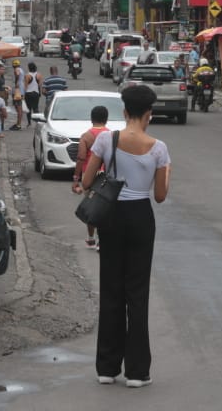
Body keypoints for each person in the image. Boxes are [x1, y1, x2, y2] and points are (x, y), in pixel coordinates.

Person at [82, 85, 170, 388]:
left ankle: (107, 368)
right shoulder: (159, 148)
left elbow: (86, 180)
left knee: (111, 288)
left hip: (112, 217)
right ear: (149, 114)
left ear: (124, 112)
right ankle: (136, 371)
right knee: (137, 292)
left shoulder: (107, 138)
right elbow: (159, 195)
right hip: (141, 217)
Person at [72, 104, 111, 249]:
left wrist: (76, 180)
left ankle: (90, 238)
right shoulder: (112, 135)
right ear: (106, 119)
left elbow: (81, 158)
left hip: (90, 175)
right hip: (106, 176)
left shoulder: (86, 136)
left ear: (91, 118)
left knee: (91, 207)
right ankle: (102, 241)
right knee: (104, 208)